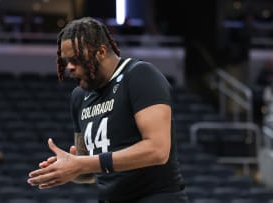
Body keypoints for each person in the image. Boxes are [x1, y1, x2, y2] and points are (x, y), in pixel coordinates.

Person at [27, 17, 188, 203]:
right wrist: (71, 168)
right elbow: (90, 170)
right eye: (66, 61)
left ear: (101, 52)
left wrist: (82, 163)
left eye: (76, 59)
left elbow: (157, 150)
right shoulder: (79, 97)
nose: (69, 67)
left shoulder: (140, 75)